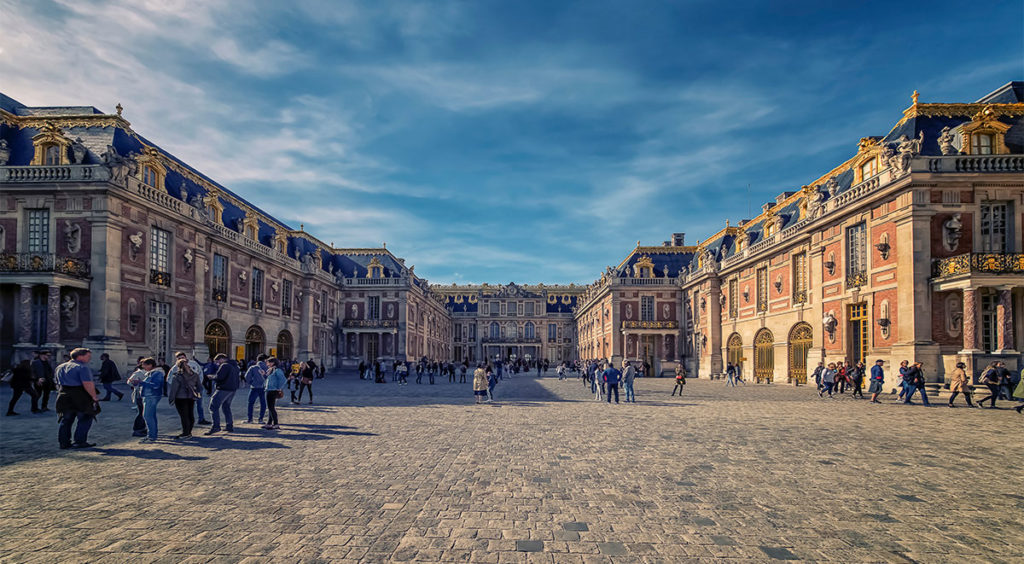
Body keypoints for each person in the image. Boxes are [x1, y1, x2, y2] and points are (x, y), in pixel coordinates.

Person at [54, 348, 100, 449]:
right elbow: (87, 384)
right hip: (80, 395)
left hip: (63, 394)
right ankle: (79, 441)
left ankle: (64, 442)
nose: (90, 358)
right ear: (80, 356)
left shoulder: (60, 367)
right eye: (88, 356)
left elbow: (57, 383)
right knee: (85, 418)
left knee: (66, 420)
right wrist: (94, 397)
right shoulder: (82, 367)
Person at [128, 358, 164, 443]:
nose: (143, 366)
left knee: (147, 416)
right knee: (151, 416)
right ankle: (152, 434)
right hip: (149, 396)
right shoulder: (151, 373)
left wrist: (141, 382)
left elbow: (156, 385)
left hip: (152, 396)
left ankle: (151, 436)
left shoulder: (157, 373)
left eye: (144, 365)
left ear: (150, 365)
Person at [204, 353, 239, 435]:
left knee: (213, 406)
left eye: (217, 361)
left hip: (224, 388)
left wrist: (211, 377)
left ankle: (216, 426)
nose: (217, 363)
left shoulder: (225, 366)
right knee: (226, 406)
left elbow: (219, 377)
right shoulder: (234, 365)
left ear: (222, 359)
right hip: (232, 389)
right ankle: (229, 425)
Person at [168, 355, 201, 438]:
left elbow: (174, 389)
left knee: (184, 416)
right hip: (191, 397)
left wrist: (171, 399)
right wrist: (196, 392)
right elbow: (200, 387)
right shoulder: (195, 374)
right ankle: (189, 431)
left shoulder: (177, 376)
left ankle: (185, 433)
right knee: (190, 414)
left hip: (180, 398)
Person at [127, 357, 149, 437]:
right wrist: (136, 384)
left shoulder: (149, 372)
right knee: (141, 412)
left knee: (143, 412)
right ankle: (137, 429)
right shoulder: (138, 373)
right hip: (139, 394)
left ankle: (142, 428)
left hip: (146, 394)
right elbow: (129, 382)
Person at [244, 354, 268, 424]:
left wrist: (252, 382)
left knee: (251, 403)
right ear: (265, 360)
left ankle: (250, 419)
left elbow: (247, 377)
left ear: (257, 359)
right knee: (263, 403)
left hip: (254, 387)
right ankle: (261, 419)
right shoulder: (267, 367)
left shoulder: (253, 367)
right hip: (263, 387)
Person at [263, 357, 286, 430]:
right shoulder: (271, 370)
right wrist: (264, 374)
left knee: (271, 407)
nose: (267, 364)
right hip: (269, 389)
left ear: (273, 363)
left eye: (268, 362)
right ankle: (269, 423)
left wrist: (278, 387)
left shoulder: (277, 370)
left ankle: (276, 423)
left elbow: (283, 380)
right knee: (270, 407)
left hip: (273, 390)